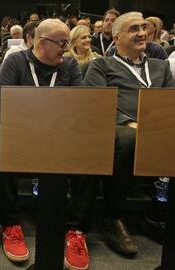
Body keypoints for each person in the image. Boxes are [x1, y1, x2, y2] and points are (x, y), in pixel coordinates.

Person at [0, 19, 90, 270]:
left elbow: (78, 106)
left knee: (92, 140)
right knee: (0, 134)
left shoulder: (70, 65)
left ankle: (75, 228)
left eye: (67, 43)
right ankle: (10, 223)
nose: (66, 49)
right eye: (62, 43)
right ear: (42, 42)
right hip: (22, 131)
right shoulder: (15, 61)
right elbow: (2, 103)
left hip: (61, 132)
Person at [84, 12, 175, 258]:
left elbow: (169, 102)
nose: (142, 33)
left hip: (157, 127)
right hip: (117, 128)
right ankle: (112, 215)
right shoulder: (102, 64)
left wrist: (156, 126)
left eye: (143, 27)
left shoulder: (160, 65)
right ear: (117, 37)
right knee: (129, 138)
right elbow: (97, 104)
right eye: (134, 28)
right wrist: (129, 122)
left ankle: (158, 214)